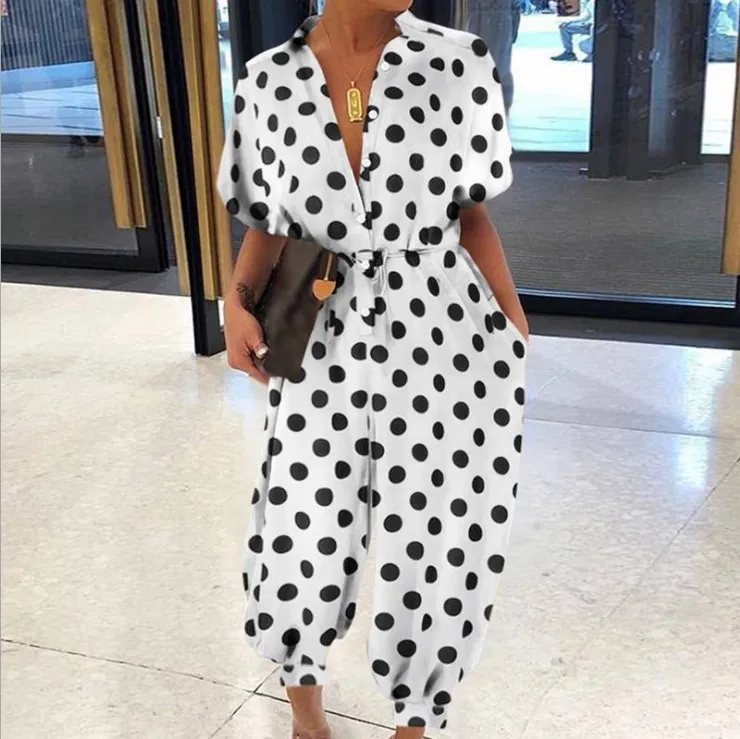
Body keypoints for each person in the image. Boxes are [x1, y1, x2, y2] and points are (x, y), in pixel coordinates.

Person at [218, 2, 529, 738]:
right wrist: (236, 301)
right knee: (303, 517)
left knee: (442, 525)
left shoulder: (459, 62)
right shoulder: (267, 80)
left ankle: (418, 717)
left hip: (445, 325)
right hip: (317, 325)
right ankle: (304, 709)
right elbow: (268, 219)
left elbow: (472, 214)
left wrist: (515, 332)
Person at [466, 0, 523, 112]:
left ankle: (497, 106)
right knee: (499, 69)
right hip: (498, 22)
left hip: (493, 22)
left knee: (496, 69)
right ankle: (500, 106)